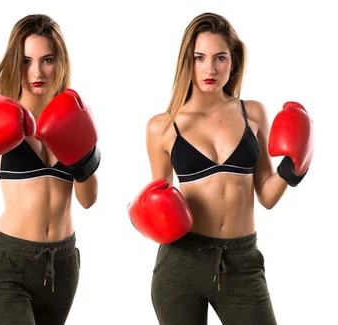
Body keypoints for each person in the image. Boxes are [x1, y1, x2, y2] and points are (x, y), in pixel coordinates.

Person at [127, 12, 314, 325]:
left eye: (220, 58)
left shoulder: (252, 112)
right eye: (200, 57)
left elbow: (266, 196)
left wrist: (293, 166)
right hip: (181, 264)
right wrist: (140, 214)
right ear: (188, 61)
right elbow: (157, 200)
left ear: (233, 61)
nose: (210, 69)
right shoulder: (162, 126)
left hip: (241, 263)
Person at [0, 14, 100, 325]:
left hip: (61, 266)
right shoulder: (2, 114)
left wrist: (78, 152)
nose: (37, 71)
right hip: (9, 262)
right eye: (26, 61)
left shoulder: (72, 115)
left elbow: (88, 199)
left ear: (59, 62)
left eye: (47, 60)